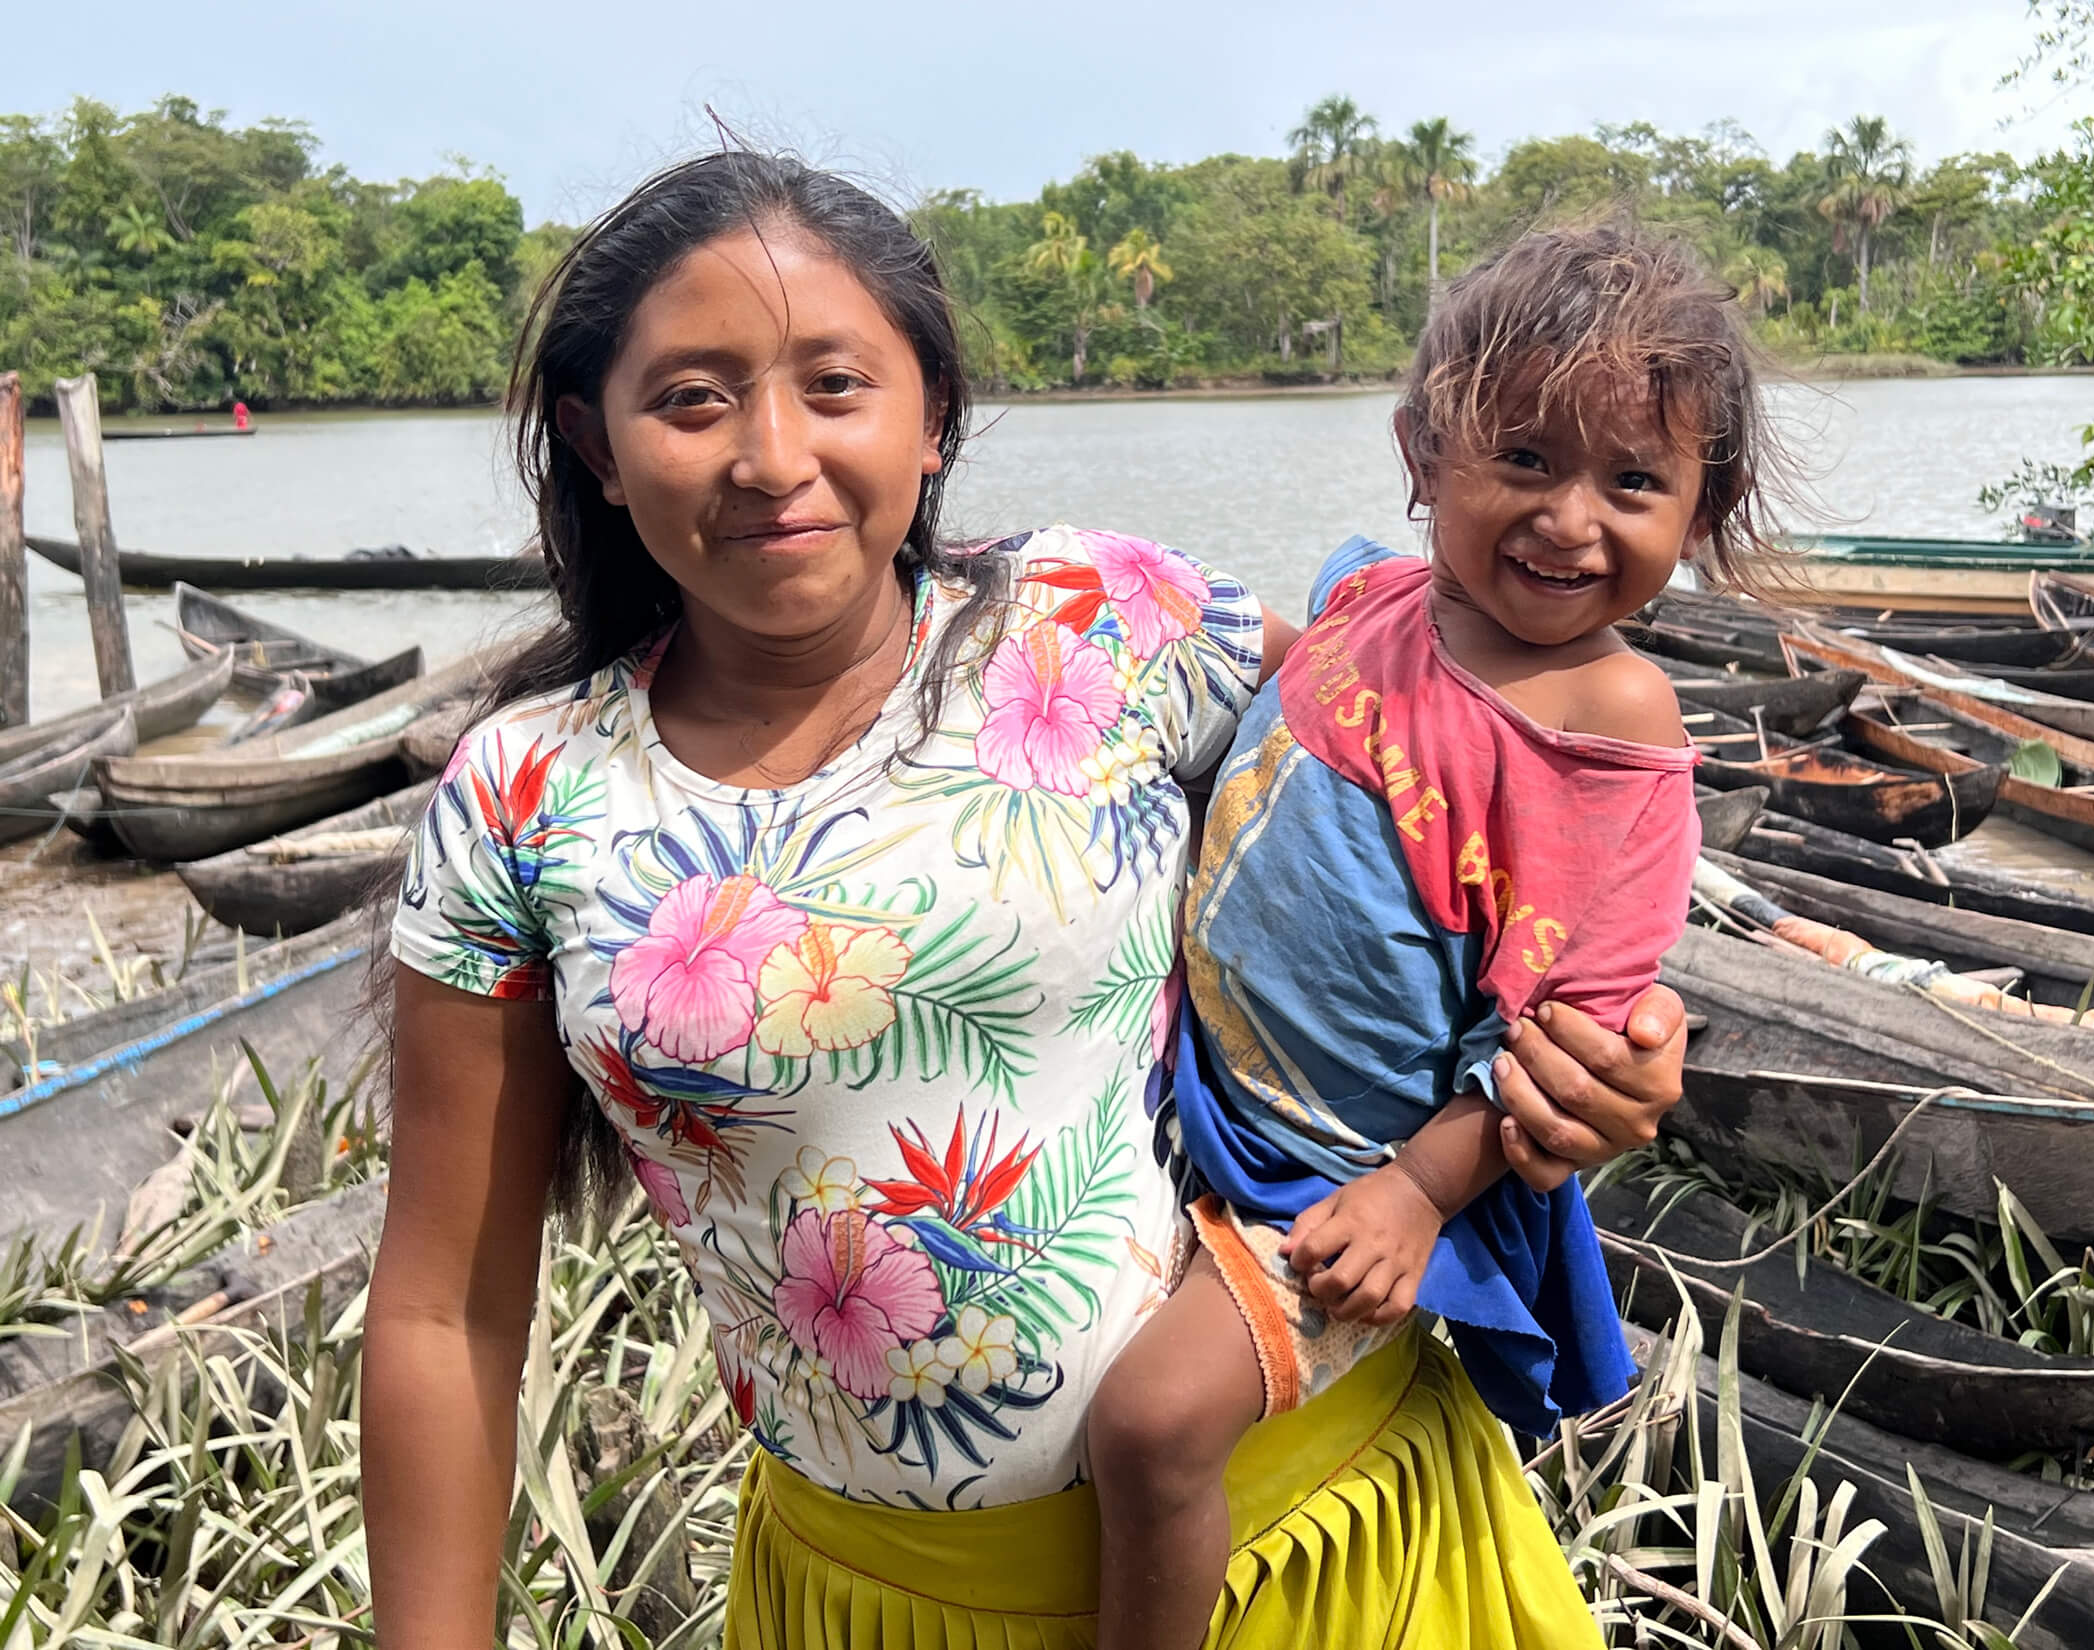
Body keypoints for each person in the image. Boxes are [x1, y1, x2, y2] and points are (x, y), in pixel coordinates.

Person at [360, 151, 1690, 1650]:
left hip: (1325, 1553)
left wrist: (1607, 1049)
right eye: (692, 397)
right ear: (594, 444)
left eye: (837, 384)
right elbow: (440, 1314)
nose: (773, 454)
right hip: (881, 1608)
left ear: (933, 418)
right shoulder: (523, 798)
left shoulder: (1103, 617)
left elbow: (1439, 767)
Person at [1086, 225, 1786, 1650]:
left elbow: (1568, 1036)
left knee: (1154, 1424)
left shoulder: (1609, 723)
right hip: (1192, 1092)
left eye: (1635, 482)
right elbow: (1260, 719)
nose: (1571, 518)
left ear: (1703, 514)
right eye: (1522, 459)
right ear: (1423, 451)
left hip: (1347, 1174)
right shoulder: (1370, 605)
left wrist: (1413, 1194)